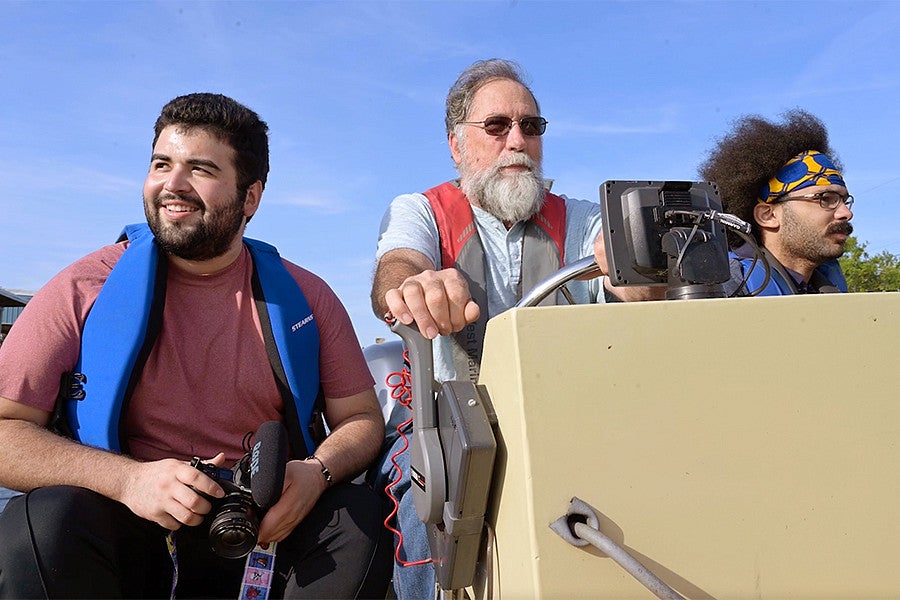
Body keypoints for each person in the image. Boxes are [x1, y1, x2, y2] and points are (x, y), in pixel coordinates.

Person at [0, 93, 391, 599]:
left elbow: (361, 418)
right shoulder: (83, 287)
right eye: (161, 164)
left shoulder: (307, 298)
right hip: (129, 521)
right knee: (40, 524)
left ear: (250, 198)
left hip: (263, 527)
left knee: (360, 520)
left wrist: (316, 473)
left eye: (200, 169)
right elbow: (6, 429)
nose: (173, 185)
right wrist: (128, 482)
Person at [368, 58, 659, 599]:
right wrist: (416, 285)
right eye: (497, 126)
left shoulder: (588, 221)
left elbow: (637, 290)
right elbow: (397, 266)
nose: (517, 141)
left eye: (531, 126)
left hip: (568, 420)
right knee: (422, 502)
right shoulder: (421, 211)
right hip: (448, 420)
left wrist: (639, 273)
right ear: (458, 146)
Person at [698, 109, 854, 295]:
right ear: (768, 215)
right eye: (825, 199)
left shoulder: (829, 283)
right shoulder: (725, 286)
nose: (846, 213)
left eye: (844, 200)